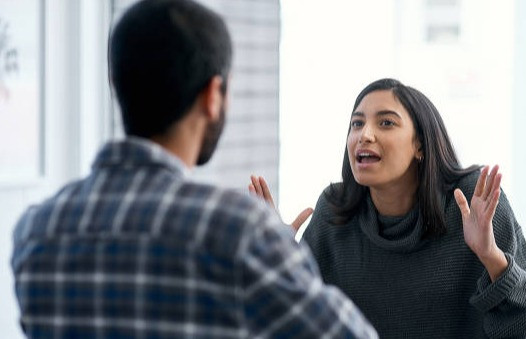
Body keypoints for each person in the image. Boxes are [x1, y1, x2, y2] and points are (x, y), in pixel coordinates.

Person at [10, 1, 378, 337]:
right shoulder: (236, 230)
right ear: (212, 95)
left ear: (116, 85)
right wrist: (281, 250)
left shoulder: (34, 232)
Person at [250, 78, 526, 338]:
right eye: (357, 123)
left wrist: (492, 257)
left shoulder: (473, 204)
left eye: (385, 122)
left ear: (420, 145)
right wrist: (280, 266)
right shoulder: (335, 212)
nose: (364, 135)